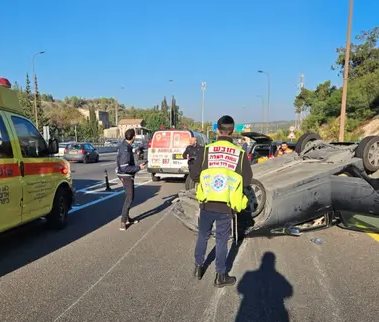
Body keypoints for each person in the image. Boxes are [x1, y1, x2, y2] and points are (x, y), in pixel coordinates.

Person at [191, 115, 253, 287]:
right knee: (221, 239)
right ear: (232, 131)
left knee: (203, 235)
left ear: (218, 130)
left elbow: (194, 175)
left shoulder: (206, 150)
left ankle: (198, 267)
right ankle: (220, 275)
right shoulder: (239, 154)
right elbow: (247, 180)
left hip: (207, 202)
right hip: (226, 204)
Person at [116, 128, 146, 230]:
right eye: (135, 136)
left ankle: (127, 218)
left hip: (124, 175)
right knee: (129, 198)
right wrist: (138, 168)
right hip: (126, 175)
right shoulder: (125, 149)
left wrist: (136, 151)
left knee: (128, 197)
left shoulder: (125, 145)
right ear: (133, 137)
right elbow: (125, 167)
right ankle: (123, 222)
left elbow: (128, 154)